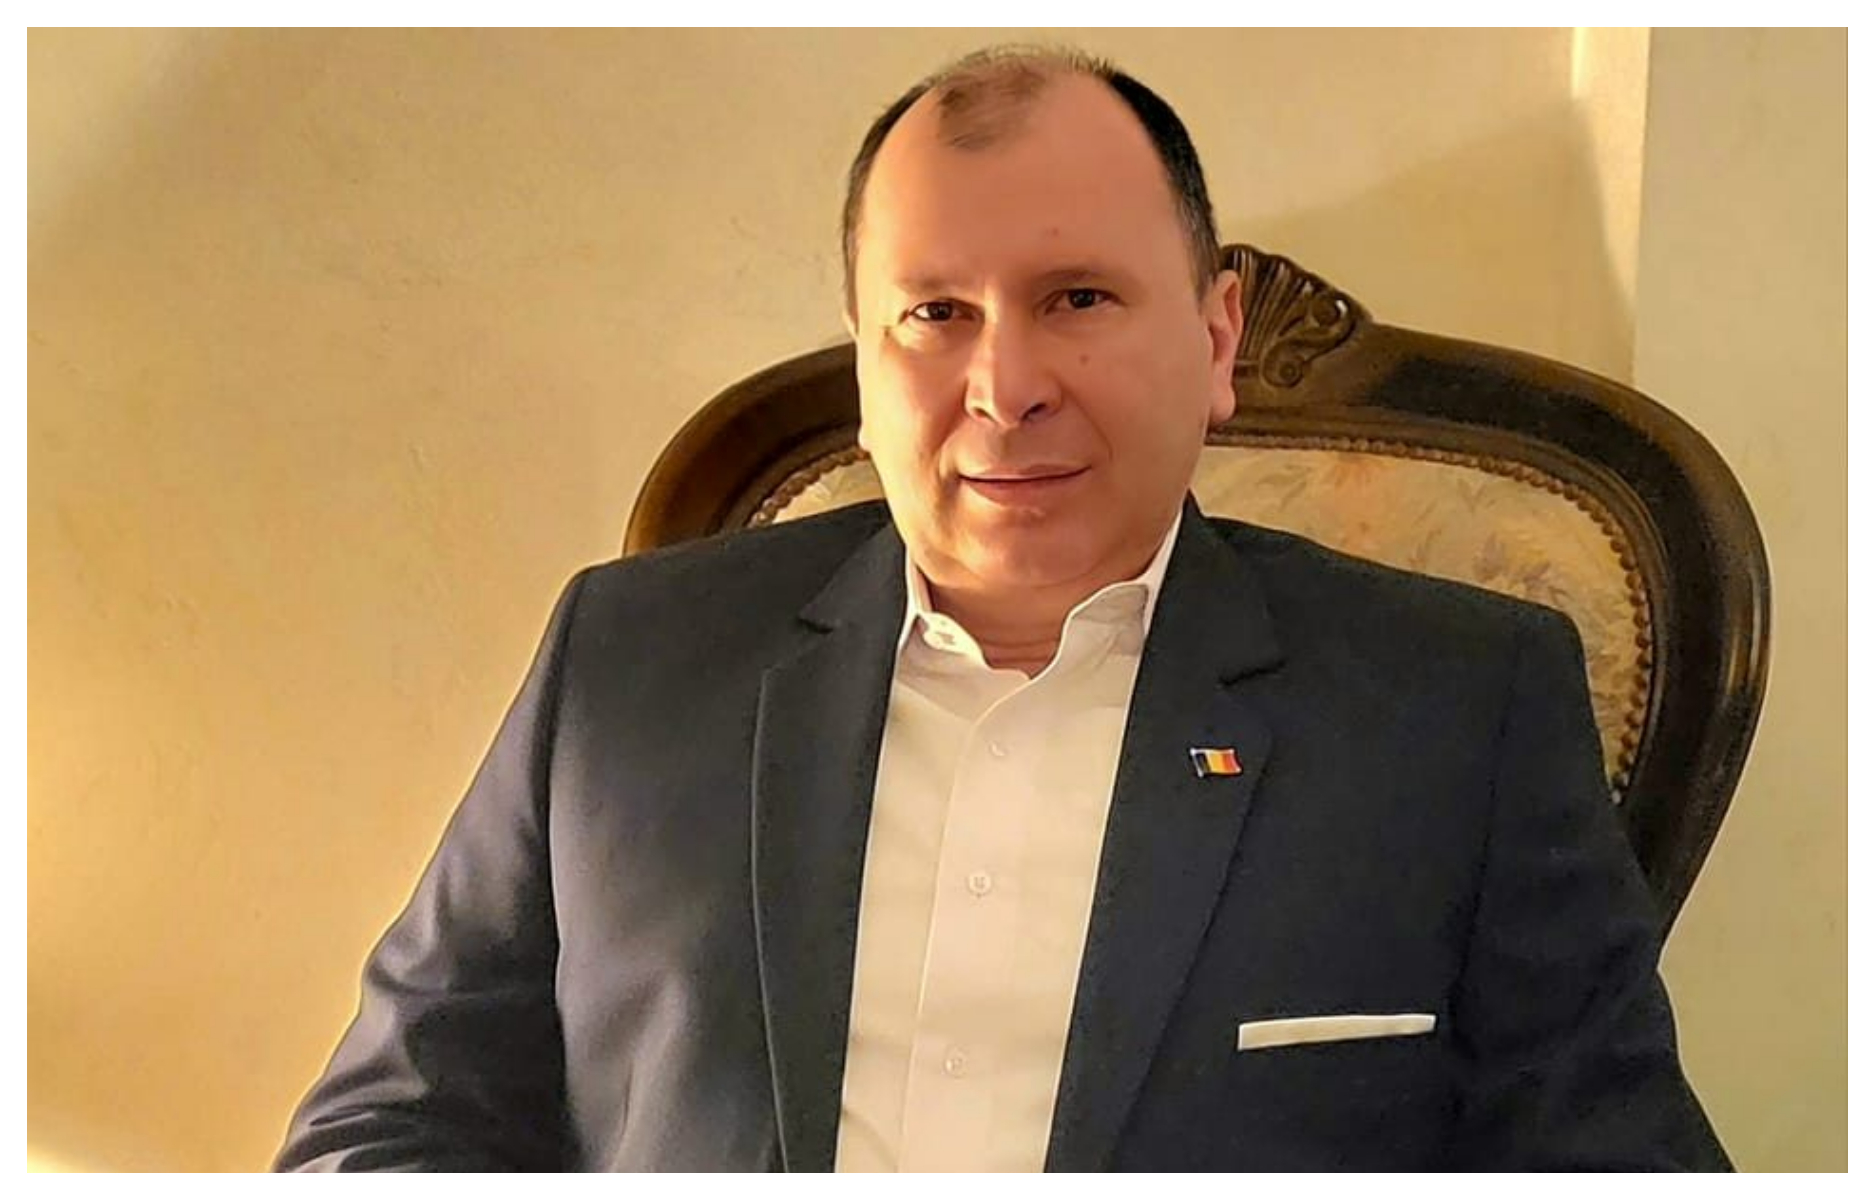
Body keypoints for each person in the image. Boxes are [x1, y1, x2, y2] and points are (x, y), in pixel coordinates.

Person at [275, 45, 1729, 1171]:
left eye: (1078, 298)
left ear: (1216, 337)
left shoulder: (1457, 707)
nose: (1005, 386)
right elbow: (387, 1129)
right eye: (936, 313)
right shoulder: (629, 662)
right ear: (865, 359)